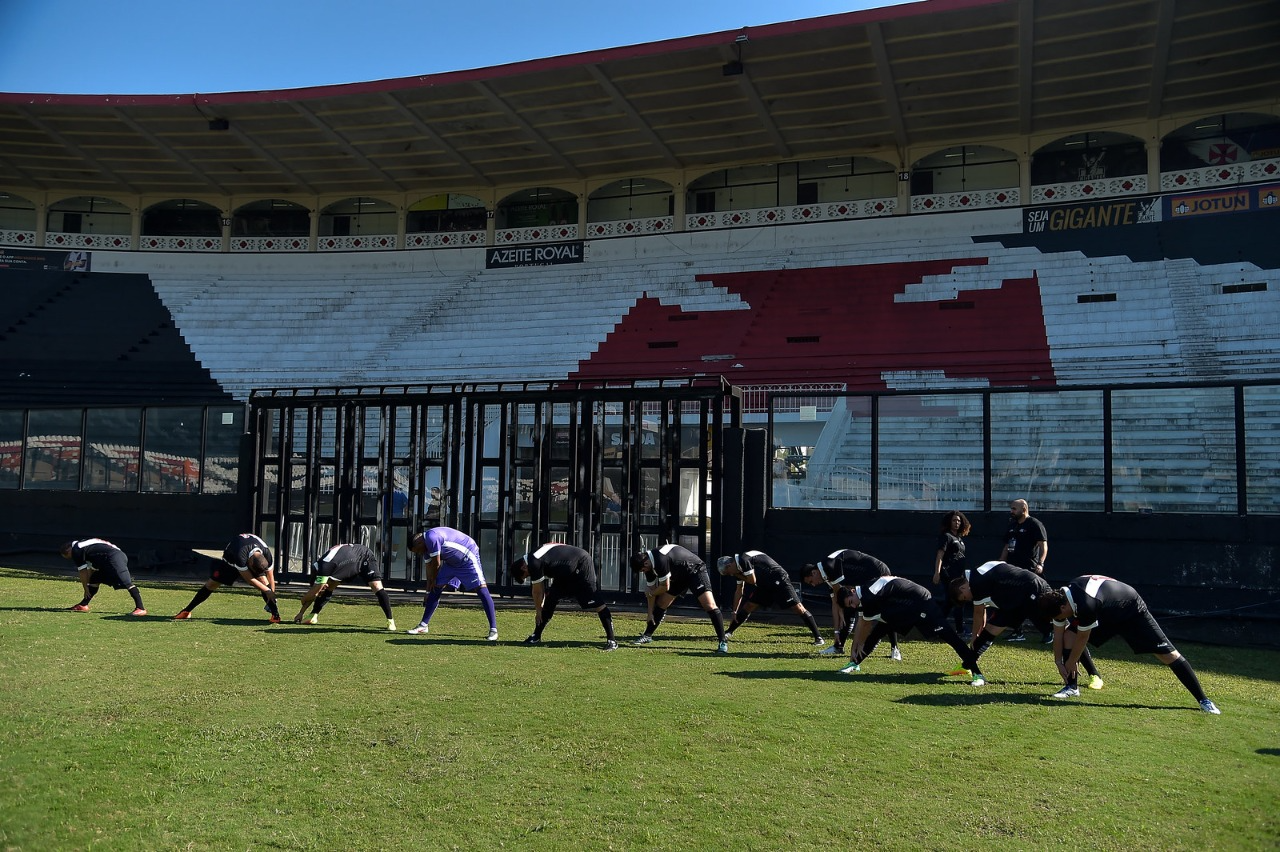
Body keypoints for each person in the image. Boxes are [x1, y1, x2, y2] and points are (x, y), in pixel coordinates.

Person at [1037, 575, 1220, 713]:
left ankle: (1203, 700)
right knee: (1069, 636)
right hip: (1106, 611)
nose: (1062, 620)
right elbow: (1059, 633)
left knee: (1167, 654)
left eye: (1061, 617)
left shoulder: (1085, 603)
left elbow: (1083, 638)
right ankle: (1071, 687)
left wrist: (1070, 663)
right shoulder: (1061, 600)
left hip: (1131, 610)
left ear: (1063, 609)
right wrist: (1058, 662)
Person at [948, 560, 1103, 689]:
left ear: (963, 587)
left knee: (1064, 633)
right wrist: (978, 636)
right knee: (990, 630)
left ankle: (1094, 675)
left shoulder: (976, 581)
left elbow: (978, 612)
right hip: (1013, 602)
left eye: (964, 597)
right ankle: (968, 665)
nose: (968, 599)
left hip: (1034, 592)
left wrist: (975, 636)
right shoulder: (979, 574)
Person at [837, 575, 985, 687]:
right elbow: (862, 624)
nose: (853, 606)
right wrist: (856, 648)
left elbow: (864, 625)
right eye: (850, 606)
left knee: (949, 637)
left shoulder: (868, 595)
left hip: (922, 603)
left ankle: (977, 674)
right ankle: (855, 663)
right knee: (881, 628)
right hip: (906, 607)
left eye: (851, 602)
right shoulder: (864, 593)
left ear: (852, 591)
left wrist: (858, 645)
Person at [509, 543, 617, 651]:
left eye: (527, 575)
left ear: (523, 566)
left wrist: (538, 611)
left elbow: (537, 591)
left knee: (595, 601)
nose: (530, 576)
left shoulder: (534, 562)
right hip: (564, 571)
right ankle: (536, 636)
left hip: (581, 562)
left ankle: (612, 640)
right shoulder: (535, 555)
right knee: (551, 599)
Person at [800, 549, 901, 660]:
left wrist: (839, 622)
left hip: (878, 573)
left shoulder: (828, 566)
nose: (813, 585)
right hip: (863, 578)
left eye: (811, 581)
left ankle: (894, 648)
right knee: (848, 606)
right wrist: (836, 631)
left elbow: (839, 600)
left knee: (882, 611)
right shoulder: (826, 575)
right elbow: (836, 603)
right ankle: (839, 646)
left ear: (814, 572)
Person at [630, 544, 729, 653]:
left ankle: (723, 641)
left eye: (643, 570)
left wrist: (652, 593)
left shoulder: (659, 559)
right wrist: (649, 613)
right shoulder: (648, 565)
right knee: (662, 603)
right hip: (679, 576)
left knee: (709, 605)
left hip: (695, 570)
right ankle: (647, 635)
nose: (644, 572)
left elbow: (664, 586)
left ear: (645, 563)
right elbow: (651, 592)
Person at [405, 527, 498, 641]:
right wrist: (428, 591)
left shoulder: (432, 538)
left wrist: (434, 581)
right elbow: (429, 569)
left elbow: (437, 563)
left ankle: (493, 630)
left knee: (481, 589)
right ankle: (423, 625)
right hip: (451, 563)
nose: (419, 553)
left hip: (467, 557)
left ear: (419, 542)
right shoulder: (425, 548)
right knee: (435, 588)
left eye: (417, 550)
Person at [717, 551, 824, 648]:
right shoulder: (737, 570)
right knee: (749, 606)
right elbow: (739, 591)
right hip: (764, 583)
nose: (730, 574)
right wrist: (734, 611)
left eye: (728, 572)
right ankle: (729, 632)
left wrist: (739, 576)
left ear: (729, 565)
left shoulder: (743, 561)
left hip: (778, 577)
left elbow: (752, 580)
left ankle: (818, 637)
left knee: (798, 608)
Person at [174, 533, 282, 622]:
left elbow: (270, 576)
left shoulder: (267, 553)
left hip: (248, 557)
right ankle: (187, 611)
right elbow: (250, 580)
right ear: (249, 563)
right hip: (229, 562)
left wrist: (272, 593)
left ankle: (275, 615)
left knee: (264, 581)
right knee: (211, 584)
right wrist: (268, 591)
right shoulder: (241, 556)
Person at [293, 542, 397, 630]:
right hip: (347, 563)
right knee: (329, 586)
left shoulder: (324, 567)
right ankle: (313, 615)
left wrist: (303, 599)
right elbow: (315, 591)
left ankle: (390, 621)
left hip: (364, 556)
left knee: (377, 587)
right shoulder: (323, 566)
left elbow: (314, 592)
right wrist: (301, 612)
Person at [999, 499, 1050, 642]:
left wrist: (1040, 563)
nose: (1012, 511)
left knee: (1033, 603)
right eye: (1011, 509)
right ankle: (1017, 631)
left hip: (1029, 571)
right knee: (1011, 601)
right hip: (1012, 570)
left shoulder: (1034, 524)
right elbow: (1006, 547)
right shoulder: (1012, 526)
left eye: (1014, 509)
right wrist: (1001, 564)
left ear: (1024, 509)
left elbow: (1043, 546)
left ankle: (1048, 631)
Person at [60, 538, 147, 616]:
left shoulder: (76, 549)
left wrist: (86, 588)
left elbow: (83, 571)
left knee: (125, 581)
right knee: (95, 578)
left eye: (69, 557)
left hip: (113, 556)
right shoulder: (84, 545)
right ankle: (83, 605)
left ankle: (141, 608)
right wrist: (89, 583)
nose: (72, 558)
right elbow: (91, 570)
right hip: (114, 556)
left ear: (68, 550)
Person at [932, 510, 971, 635]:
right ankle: (960, 629)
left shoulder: (959, 538)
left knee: (949, 603)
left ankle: (935, 626)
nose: (957, 523)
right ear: (949, 522)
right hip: (949, 575)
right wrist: (937, 573)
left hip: (959, 576)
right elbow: (940, 555)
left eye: (959, 521)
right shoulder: (946, 536)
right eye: (954, 520)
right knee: (958, 601)